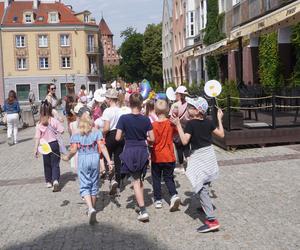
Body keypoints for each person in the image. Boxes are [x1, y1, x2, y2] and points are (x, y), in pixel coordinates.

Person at [172, 96, 224, 233]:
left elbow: (184, 141)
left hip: (199, 156)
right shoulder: (208, 122)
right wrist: (219, 118)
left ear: (198, 111)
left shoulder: (191, 124)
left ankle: (212, 220)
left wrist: (177, 125)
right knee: (205, 183)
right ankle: (206, 206)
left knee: (201, 187)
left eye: (192, 107)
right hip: (209, 154)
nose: (189, 109)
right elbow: (222, 134)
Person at [62, 114, 113, 225]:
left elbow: (74, 150)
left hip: (83, 159)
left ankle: (90, 208)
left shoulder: (76, 135)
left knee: (85, 184)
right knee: (94, 183)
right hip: (94, 159)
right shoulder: (97, 132)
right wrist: (109, 161)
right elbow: (102, 147)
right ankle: (93, 208)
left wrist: (67, 157)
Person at [116, 93, 155, 222]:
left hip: (130, 149)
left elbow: (117, 137)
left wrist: (124, 136)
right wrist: (144, 138)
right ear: (141, 104)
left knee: (136, 181)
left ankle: (143, 210)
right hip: (142, 150)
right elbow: (152, 138)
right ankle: (140, 203)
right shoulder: (146, 119)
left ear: (129, 103)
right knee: (139, 179)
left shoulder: (123, 118)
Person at [151, 100, 180, 211]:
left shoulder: (152, 125)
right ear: (168, 110)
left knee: (156, 178)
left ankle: (158, 200)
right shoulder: (170, 124)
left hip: (156, 156)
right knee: (169, 178)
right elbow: (177, 132)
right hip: (169, 155)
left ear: (155, 111)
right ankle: (174, 194)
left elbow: (150, 139)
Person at [34, 100, 64, 192]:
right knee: (55, 163)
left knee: (47, 164)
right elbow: (62, 130)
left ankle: (48, 181)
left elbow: (37, 137)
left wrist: (35, 149)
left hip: (44, 145)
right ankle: (55, 180)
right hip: (54, 144)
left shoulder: (39, 123)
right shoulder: (54, 121)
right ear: (50, 110)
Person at [102, 88, 123, 195]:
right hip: (120, 135)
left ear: (110, 99)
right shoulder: (121, 110)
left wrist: (101, 133)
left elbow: (106, 128)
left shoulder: (107, 111)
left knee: (108, 158)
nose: (105, 100)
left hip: (110, 135)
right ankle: (118, 183)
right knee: (119, 159)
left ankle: (111, 179)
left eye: (106, 98)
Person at [169, 86, 190, 174]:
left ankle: (181, 167)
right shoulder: (189, 104)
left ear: (179, 95)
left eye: (176, 93)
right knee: (187, 147)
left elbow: (171, 118)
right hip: (188, 127)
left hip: (178, 128)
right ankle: (190, 166)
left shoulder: (175, 105)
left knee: (179, 148)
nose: (175, 95)